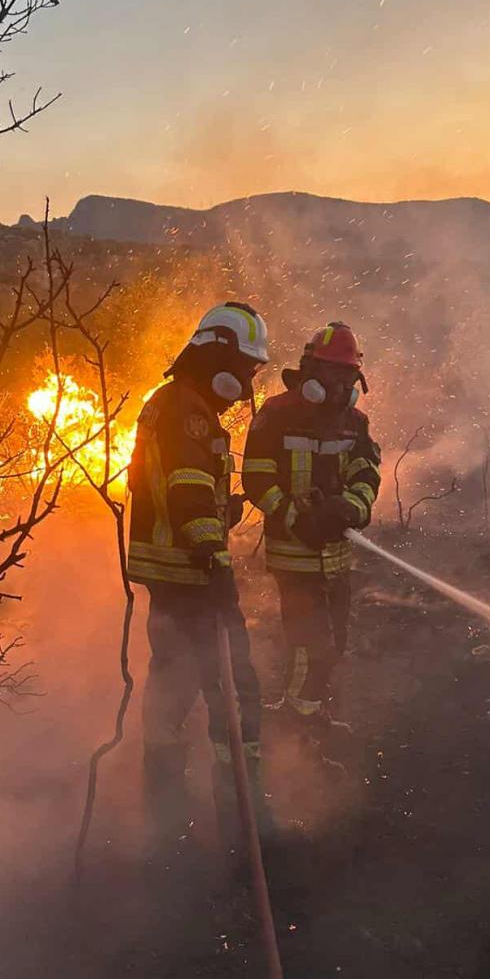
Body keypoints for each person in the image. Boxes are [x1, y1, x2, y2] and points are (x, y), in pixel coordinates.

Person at [128, 302, 270, 853]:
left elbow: (175, 493)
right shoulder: (186, 409)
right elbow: (186, 489)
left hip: (174, 574)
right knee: (234, 690)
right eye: (247, 368)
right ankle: (242, 814)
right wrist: (212, 553)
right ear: (218, 357)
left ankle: (165, 812)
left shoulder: (176, 403)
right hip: (191, 575)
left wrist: (219, 511)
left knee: (172, 686)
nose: (248, 381)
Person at [242, 321, 381, 745]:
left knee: (334, 643)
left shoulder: (354, 422)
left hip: (337, 557)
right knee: (309, 645)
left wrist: (351, 508)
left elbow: (366, 473)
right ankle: (299, 729)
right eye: (332, 375)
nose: (340, 385)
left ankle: (310, 713)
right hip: (294, 554)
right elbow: (256, 478)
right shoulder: (277, 415)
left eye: (347, 377)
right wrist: (294, 517)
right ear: (309, 373)